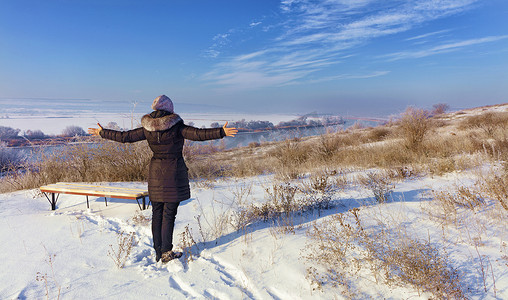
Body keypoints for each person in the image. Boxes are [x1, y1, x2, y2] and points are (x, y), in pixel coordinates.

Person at [88, 95, 237, 263]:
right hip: (173, 173)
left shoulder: (147, 128)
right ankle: (166, 252)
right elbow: (197, 134)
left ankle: (158, 252)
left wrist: (102, 132)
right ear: (170, 109)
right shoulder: (176, 126)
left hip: (155, 173)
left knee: (157, 213)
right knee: (169, 214)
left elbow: (125, 137)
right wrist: (221, 132)